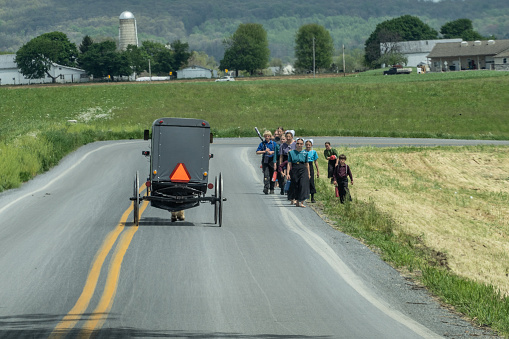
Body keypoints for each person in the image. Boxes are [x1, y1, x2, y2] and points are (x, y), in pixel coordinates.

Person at [287, 138, 310, 208]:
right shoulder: (291, 153)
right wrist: (287, 173)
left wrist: (309, 174)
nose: (299, 145)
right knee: (296, 184)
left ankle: (302, 201)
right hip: (295, 168)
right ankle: (297, 200)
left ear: (303, 145)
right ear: (296, 144)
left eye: (301, 144)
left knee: (303, 184)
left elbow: (307, 164)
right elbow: (289, 163)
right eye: (298, 143)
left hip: (303, 168)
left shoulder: (305, 153)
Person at [256, 130, 277, 194]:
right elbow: (257, 152)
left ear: (270, 136)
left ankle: (272, 188)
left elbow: (277, 151)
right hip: (265, 160)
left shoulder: (274, 144)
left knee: (272, 174)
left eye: (268, 136)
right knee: (266, 174)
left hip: (272, 160)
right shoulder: (262, 144)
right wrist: (264, 151)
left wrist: (272, 152)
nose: (267, 137)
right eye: (265, 136)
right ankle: (266, 187)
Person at [279, 130, 296, 195]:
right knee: (284, 176)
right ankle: (283, 188)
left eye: (289, 136)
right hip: (285, 161)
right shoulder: (282, 145)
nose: (288, 138)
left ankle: (290, 189)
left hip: (293, 161)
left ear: (292, 137)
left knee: (292, 176)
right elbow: (281, 156)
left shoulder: (295, 144)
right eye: (287, 136)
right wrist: (280, 165)